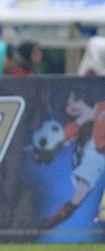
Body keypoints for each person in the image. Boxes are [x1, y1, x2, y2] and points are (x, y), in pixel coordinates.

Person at [35, 88, 105, 229]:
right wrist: (49, 152)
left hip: (96, 157)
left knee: (79, 197)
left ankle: (53, 221)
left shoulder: (100, 109)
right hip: (94, 160)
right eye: (67, 107)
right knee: (78, 198)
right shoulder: (79, 127)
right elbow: (62, 139)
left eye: (69, 103)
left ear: (78, 99)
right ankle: (51, 222)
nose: (68, 109)